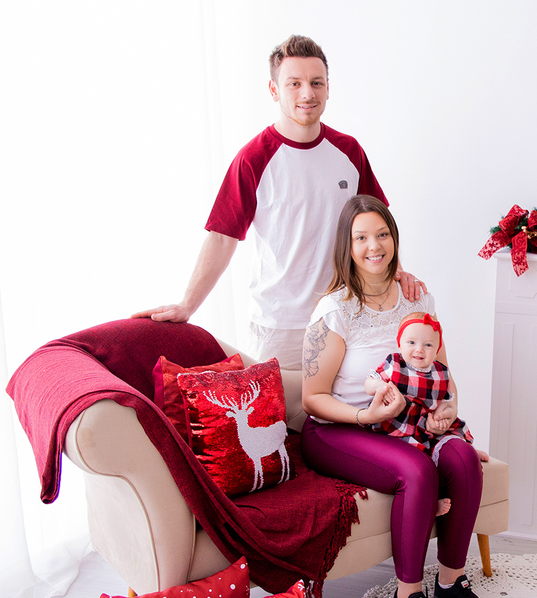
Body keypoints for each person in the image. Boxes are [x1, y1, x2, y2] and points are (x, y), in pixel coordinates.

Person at [133, 34, 423, 369]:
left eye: (316, 82)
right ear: (274, 90)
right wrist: (187, 305)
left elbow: (378, 225)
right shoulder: (253, 159)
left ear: (328, 87)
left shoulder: (349, 152)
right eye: (294, 83)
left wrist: (397, 273)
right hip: (278, 325)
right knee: (280, 420)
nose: (307, 93)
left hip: (344, 312)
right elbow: (222, 237)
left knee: (348, 414)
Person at [300, 195, 495, 598]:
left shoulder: (417, 296)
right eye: (361, 237)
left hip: (409, 425)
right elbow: (312, 398)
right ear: (346, 247)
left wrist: (448, 409)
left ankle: (450, 583)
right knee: (416, 468)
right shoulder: (334, 310)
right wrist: (365, 415)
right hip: (340, 429)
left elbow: (443, 376)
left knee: (463, 458)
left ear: (394, 238)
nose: (374, 246)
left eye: (382, 234)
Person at [364, 312, 475, 517]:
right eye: (412, 342)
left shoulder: (440, 372)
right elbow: (369, 381)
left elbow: (448, 400)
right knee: (420, 463)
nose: (419, 349)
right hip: (398, 424)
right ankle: (430, 502)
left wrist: (445, 413)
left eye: (428, 345)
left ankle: (471, 452)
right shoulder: (395, 364)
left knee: (451, 449)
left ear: (437, 350)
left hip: (425, 425)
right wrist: (379, 387)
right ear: (400, 344)